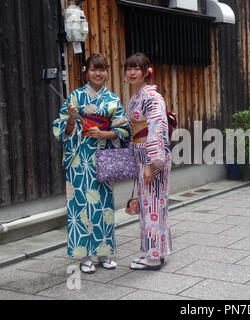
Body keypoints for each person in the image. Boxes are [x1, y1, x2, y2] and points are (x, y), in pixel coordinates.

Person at [52, 53, 130, 274]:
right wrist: (70, 119)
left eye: (102, 69)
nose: (98, 73)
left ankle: (104, 253)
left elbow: (124, 129)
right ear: (86, 73)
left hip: (103, 158)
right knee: (79, 206)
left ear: (106, 72)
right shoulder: (74, 98)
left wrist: (104, 133)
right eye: (93, 69)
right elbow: (61, 130)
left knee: (103, 206)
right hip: (79, 159)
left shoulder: (113, 100)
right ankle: (84, 255)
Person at [124, 53, 172, 270]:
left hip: (152, 156)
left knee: (153, 206)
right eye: (129, 68)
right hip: (142, 154)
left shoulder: (153, 98)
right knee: (148, 207)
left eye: (137, 68)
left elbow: (156, 129)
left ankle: (153, 257)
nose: (132, 72)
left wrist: (152, 164)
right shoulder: (137, 97)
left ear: (146, 72)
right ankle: (155, 252)